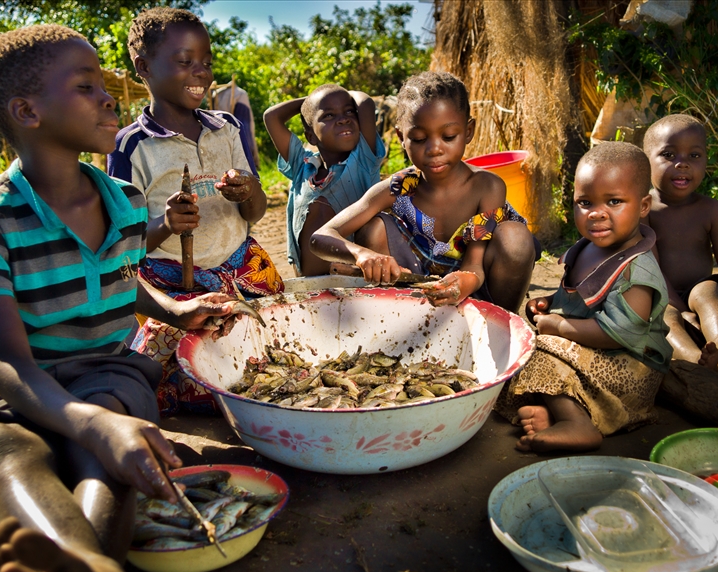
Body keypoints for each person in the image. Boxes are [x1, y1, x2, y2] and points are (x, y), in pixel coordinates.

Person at [0, 25, 240, 572]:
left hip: (109, 371)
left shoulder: (126, 200)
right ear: (27, 112)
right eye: (87, 87)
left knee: (108, 447)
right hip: (15, 382)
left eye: (105, 86)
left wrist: (175, 312)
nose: (109, 99)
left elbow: (120, 279)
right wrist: (96, 425)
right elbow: (6, 364)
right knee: (6, 448)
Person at [108, 7, 284, 415]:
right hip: (175, 281)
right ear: (144, 67)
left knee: (275, 347)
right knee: (186, 378)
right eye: (185, 62)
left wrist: (250, 191)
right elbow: (124, 242)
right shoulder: (132, 146)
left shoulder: (227, 127)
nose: (201, 73)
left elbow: (254, 213)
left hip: (242, 266)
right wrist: (165, 224)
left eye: (206, 63)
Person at [495, 142, 673, 453]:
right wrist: (551, 303)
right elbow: (581, 298)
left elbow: (621, 334)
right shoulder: (587, 249)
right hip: (590, 358)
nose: (596, 214)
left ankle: (577, 422)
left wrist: (560, 327)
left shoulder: (636, 270)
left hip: (630, 373)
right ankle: (552, 409)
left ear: (643, 206)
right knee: (514, 348)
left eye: (614, 201)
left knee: (543, 347)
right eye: (585, 202)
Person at [310, 71, 537, 313]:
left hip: (475, 294)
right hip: (415, 293)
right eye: (418, 139)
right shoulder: (399, 187)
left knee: (515, 237)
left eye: (448, 136)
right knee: (373, 227)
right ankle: (400, 322)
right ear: (401, 137)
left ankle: (500, 327)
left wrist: (466, 280)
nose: (434, 149)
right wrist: (362, 255)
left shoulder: (486, 186)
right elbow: (321, 237)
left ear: (468, 131)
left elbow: (475, 267)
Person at [643, 113, 718, 376]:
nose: (683, 165)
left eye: (694, 156)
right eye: (669, 155)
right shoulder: (644, 209)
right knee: (665, 317)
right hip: (662, 295)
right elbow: (653, 269)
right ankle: (696, 361)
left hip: (699, 291)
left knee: (708, 291)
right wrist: (681, 311)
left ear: (706, 160)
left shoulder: (711, 210)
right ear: (646, 162)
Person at [264, 84, 386, 276]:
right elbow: (271, 117)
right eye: (329, 115)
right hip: (307, 287)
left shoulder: (363, 161)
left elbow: (365, 102)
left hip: (356, 284)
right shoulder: (301, 167)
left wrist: (332, 97)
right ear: (310, 135)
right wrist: (311, 101)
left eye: (348, 112)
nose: (343, 119)